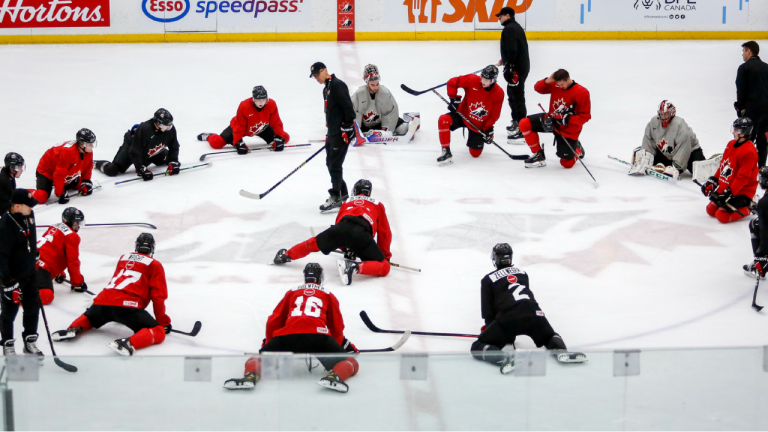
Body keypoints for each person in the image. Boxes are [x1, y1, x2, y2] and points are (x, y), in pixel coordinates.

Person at [223, 263, 359, 393]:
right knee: (351, 362)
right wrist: (340, 347)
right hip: (317, 337)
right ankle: (334, 377)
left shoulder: (292, 292)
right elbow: (337, 326)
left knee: (258, 358)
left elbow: (274, 320)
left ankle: (250, 376)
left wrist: (269, 343)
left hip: (288, 336)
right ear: (320, 277)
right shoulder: (328, 294)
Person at [470, 243, 585, 374]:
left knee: (477, 346)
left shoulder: (488, 279)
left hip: (508, 319)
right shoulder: (523, 274)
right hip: (534, 315)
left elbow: (488, 313)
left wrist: (492, 331)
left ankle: (504, 358)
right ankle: (561, 352)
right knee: (550, 336)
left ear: (495, 259)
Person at [52, 233, 172, 356]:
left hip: (103, 300)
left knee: (91, 317)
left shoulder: (123, 258)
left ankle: (74, 328)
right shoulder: (154, 264)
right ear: (152, 248)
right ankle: (128, 343)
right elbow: (158, 296)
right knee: (158, 332)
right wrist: (163, 322)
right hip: (127, 307)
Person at [274, 179, 391, 286]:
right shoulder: (377, 204)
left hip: (340, 229)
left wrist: (345, 249)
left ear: (355, 191)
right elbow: (384, 233)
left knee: (313, 243)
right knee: (384, 267)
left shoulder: (347, 202)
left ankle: (285, 256)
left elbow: (338, 224)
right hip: (361, 234)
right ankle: (354, 267)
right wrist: (385, 256)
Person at [0, 189, 42, 358]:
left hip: (30, 272)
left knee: (33, 307)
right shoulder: (5, 225)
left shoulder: (29, 217)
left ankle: (30, 340)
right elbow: (1, 257)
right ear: (17, 206)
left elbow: (31, 239)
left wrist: (35, 255)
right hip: (13, 277)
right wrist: (8, 283)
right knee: (9, 311)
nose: (31, 208)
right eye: (28, 206)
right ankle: (8, 343)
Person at [520, 69, 591, 169]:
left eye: (562, 84)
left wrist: (567, 119)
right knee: (524, 123)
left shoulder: (581, 92)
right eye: (558, 84)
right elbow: (537, 88)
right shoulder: (555, 85)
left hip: (568, 128)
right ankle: (538, 154)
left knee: (566, 164)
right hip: (551, 120)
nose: (560, 86)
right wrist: (548, 80)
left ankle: (577, 149)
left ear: (568, 79)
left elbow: (586, 116)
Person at [310, 62, 356, 212]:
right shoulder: (327, 88)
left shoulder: (337, 85)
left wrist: (346, 128)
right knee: (330, 163)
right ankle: (341, 194)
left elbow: (349, 109)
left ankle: (337, 196)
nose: (316, 78)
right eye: (314, 76)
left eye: (317, 74)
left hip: (341, 133)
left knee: (334, 164)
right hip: (333, 132)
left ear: (324, 70)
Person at [437, 65, 505, 166]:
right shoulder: (472, 80)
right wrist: (454, 99)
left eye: (486, 79)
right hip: (462, 114)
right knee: (443, 120)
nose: (483, 81)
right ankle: (446, 152)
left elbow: (495, 115)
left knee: (475, 154)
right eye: (482, 77)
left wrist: (487, 129)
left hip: (478, 125)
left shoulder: (498, 93)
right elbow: (452, 82)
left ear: (493, 80)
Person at [197, 86, 290, 154]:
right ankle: (210, 136)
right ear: (253, 99)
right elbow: (240, 126)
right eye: (258, 100)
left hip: (261, 127)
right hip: (242, 128)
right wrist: (238, 142)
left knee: (285, 137)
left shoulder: (271, 104)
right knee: (216, 143)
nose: (261, 102)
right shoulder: (244, 106)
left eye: (263, 100)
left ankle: (267, 136)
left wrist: (279, 139)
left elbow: (276, 122)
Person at [94, 109, 181, 181]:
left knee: (167, 159)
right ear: (158, 124)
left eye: (170, 125)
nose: (169, 128)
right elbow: (134, 151)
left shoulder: (170, 129)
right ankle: (96, 163)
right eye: (166, 126)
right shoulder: (145, 129)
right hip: (132, 147)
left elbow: (174, 146)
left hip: (151, 149)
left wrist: (173, 161)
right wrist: (140, 168)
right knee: (112, 170)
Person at [700, 117, 758, 224]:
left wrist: (729, 193)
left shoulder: (750, 151)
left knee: (721, 216)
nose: (733, 132)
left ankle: (749, 206)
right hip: (728, 187)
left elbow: (743, 177)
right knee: (711, 210)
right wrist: (713, 181)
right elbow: (723, 166)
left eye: (736, 130)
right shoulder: (730, 144)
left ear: (743, 133)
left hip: (742, 191)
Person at [629, 100, 706, 180]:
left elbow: (684, 147)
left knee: (700, 172)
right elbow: (649, 139)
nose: (663, 117)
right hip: (668, 152)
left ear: (672, 113)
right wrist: (645, 156)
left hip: (690, 151)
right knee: (653, 162)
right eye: (661, 114)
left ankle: (710, 162)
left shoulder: (680, 125)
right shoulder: (654, 122)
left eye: (666, 114)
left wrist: (677, 168)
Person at [36, 207, 87, 305]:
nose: (78, 227)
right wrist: (77, 283)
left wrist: (59, 273)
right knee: (46, 296)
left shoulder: (54, 226)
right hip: (41, 268)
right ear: (73, 222)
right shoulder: (72, 237)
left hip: (30, 258)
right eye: (77, 223)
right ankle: (13, 296)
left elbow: (53, 249)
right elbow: (73, 262)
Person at [32, 128, 96, 205]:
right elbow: (59, 174)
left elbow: (87, 167)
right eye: (90, 144)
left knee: (79, 186)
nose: (92, 146)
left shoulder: (87, 151)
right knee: (40, 197)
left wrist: (86, 181)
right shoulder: (68, 152)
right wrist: (60, 193)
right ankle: (25, 193)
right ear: (82, 145)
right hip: (46, 171)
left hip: (63, 171)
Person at [495, 6, 530, 142]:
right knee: (512, 95)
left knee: (517, 97)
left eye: (500, 16)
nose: (499, 19)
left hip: (516, 69)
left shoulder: (509, 29)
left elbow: (512, 49)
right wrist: (505, 60)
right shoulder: (515, 27)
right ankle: (517, 121)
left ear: (507, 16)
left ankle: (522, 128)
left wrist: (509, 66)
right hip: (519, 67)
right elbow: (514, 49)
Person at [352, 64, 409, 138]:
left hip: (380, 123)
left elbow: (390, 113)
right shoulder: (358, 94)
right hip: (364, 125)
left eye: (377, 84)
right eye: (373, 85)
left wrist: (386, 131)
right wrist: (356, 132)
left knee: (402, 129)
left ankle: (408, 121)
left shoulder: (385, 93)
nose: (376, 87)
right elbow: (353, 113)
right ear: (367, 83)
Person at [735, 41, 768, 167]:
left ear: (749, 51)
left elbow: (741, 89)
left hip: (751, 110)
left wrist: (740, 107)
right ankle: (762, 167)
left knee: (747, 139)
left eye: (743, 51)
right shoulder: (767, 67)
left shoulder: (744, 68)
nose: (742, 54)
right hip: (766, 111)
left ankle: (746, 167)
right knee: (763, 139)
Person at [744, 167, 768, 278]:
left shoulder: (764, 202)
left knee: (755, 224)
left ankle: (761, 265)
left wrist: (760, 254)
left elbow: (765, 231)